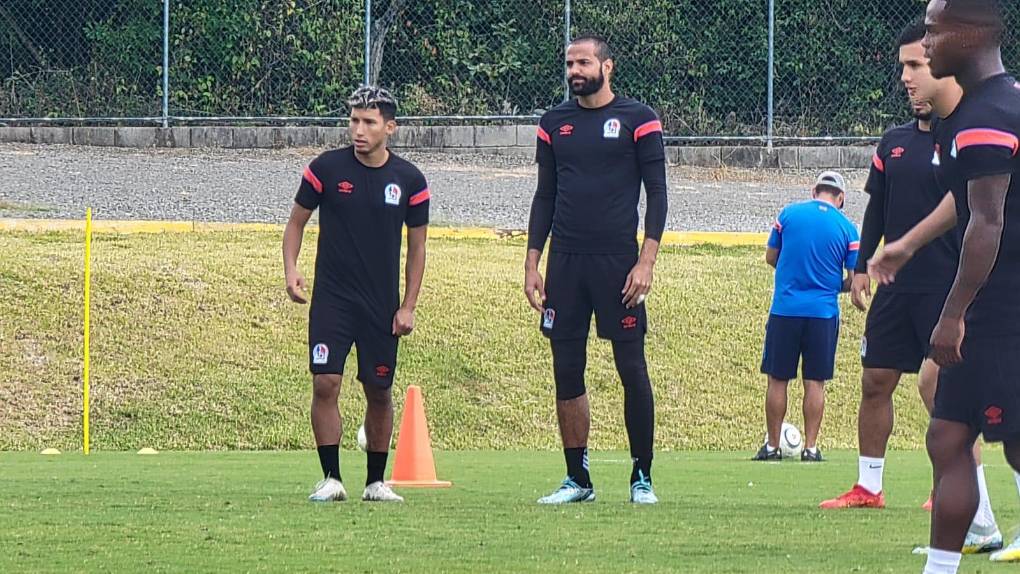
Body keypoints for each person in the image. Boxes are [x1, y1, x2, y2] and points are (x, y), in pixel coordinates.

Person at [867, 1, 1020, 571]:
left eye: (933, 31)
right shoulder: (991, 104)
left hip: (1000, 308)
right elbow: (969, 203)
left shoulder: (984, 116)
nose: (925, 43)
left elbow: (988, 221)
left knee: (1006, 443)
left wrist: (953, 314)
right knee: (948, 438)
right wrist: (906, 244)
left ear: (970, 34)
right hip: (996, 304)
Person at [524, 34, 668, 504]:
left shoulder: (638, 119)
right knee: (567, 369)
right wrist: (532, 263)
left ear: (608, 66)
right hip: (565, 264)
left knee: (631, 366)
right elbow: (544, 196)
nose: (574, 71)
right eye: (569, 63)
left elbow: (657, 195)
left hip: (617, 264)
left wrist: (646, 261)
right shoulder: (553, 123)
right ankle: (577, 480)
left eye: (583, 62)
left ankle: (641, 477)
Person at [282, 86, 430, 503]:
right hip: (332, 299)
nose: (358, 130)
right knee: (326, 383)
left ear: (390, 127)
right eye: (353, 120)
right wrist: (292, 269)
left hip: (381, 305)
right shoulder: (325, 169)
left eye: (368, 122)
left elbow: (417, 248)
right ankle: (331, 477)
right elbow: (295, 224)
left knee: (379, 390)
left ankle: (375, 482)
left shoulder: (410, 181)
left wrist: (408, 306)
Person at [754, 172, 859, 463]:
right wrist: (829, 285)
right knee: (815, 382)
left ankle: (772, 447)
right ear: (840, 198)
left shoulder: (788, 214)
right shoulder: (848, 229)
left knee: (778, 379)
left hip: (785, 309)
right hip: (823, 314)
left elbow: (771, 257)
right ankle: (811, 448)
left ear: (814, 191)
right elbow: (853, 280)